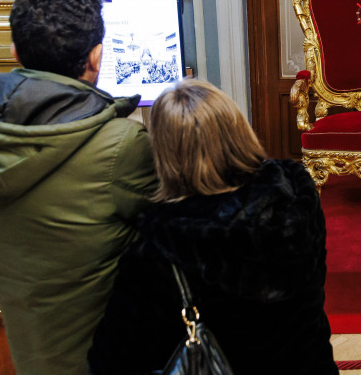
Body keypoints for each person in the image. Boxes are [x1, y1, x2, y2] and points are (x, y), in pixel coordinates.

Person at [0, 0, 157, 374]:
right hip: (108, 353)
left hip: (30, 350)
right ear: (96, 56)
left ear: (15, 52)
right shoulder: (120, 143)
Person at [88, 79, 339, 375]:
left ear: (166, 156)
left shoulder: (159, 249)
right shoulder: (297, 197)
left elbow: (111, 360)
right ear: (237, 128)